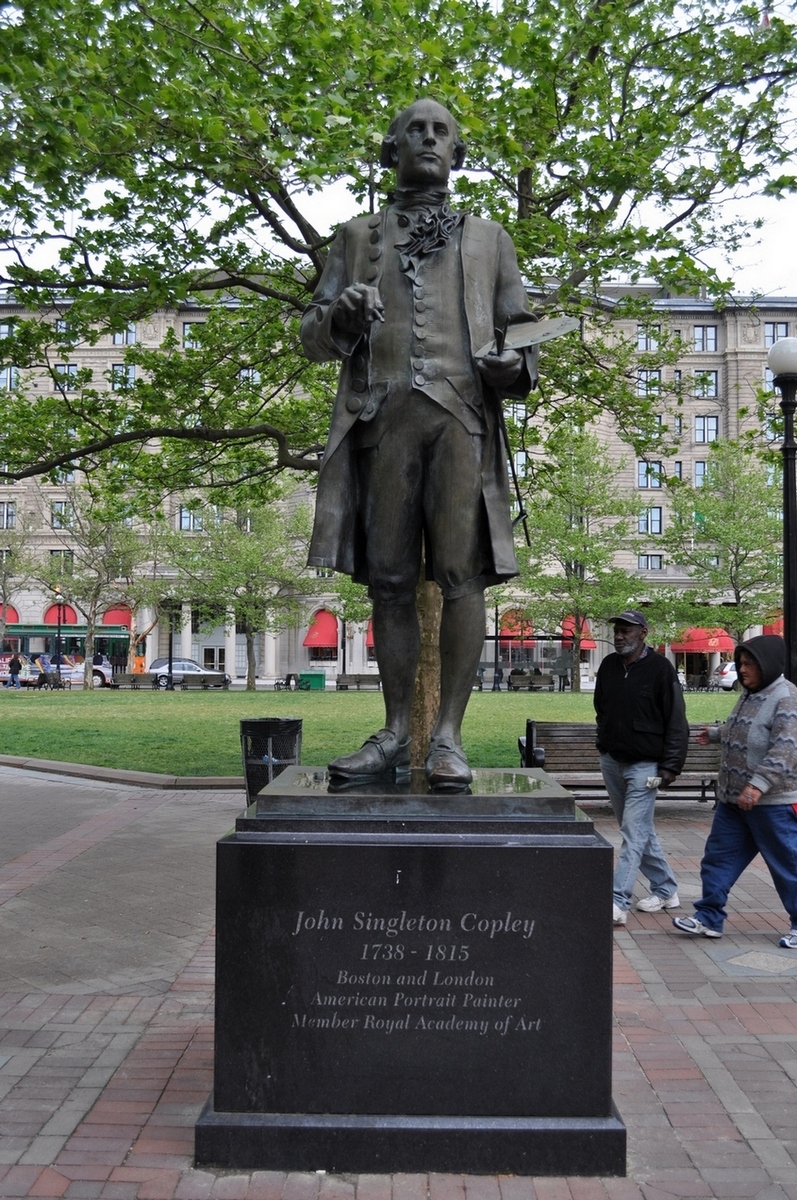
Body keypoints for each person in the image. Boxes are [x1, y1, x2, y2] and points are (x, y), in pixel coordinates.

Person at [302, 99, 537, 788]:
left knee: (462, 577)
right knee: (392, 582)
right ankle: (396, 730)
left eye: (441, 132)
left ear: (456, 154)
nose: (428, 140)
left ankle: (449, 739)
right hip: (383, 420)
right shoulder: (352, 237)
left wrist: (514, 367)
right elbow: (312, 338)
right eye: (415, 130)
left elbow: (519, 333)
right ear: (391, 147)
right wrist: (341, 314)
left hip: (460, 419)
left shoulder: (490, 239)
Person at [673, 635, 797, 948]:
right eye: (740, 663)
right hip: (734, 799)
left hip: (772, 803)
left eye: (748, 664)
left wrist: (758, 785)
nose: (741, 670)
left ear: (767, 665)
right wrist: (717, 734)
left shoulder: (786, 697)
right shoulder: (749, 694)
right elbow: (746, 729)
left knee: (787, 865)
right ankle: (708, 918)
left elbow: (785, 749)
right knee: (718, 858)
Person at [594, 609, 689, 925]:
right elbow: (601, 707)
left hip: (645, 767)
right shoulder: (608, 666)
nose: (619, 636)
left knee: (632, 833)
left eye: (626, 631)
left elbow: (677, 721)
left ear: (643, 634)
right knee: (639, 831)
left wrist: (671, 766)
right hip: (612, 761)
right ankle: (665, 889)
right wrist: (605, 739)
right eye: (617, 631)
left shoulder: (661, 669)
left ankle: (617, 901)